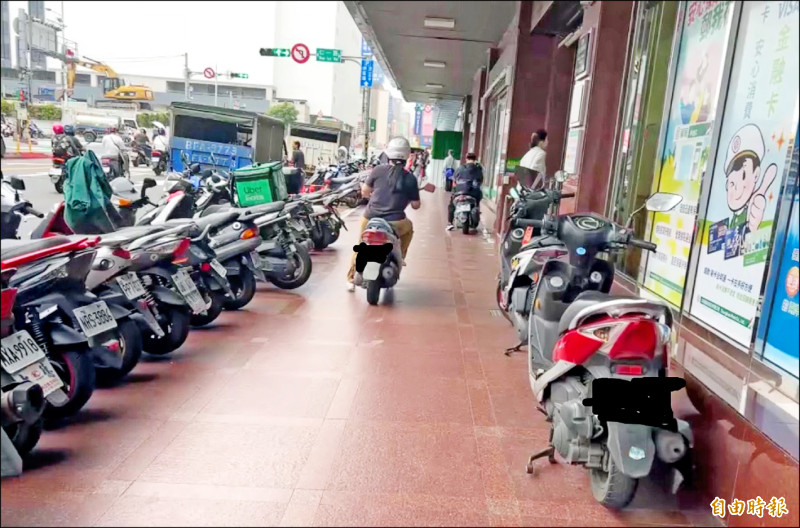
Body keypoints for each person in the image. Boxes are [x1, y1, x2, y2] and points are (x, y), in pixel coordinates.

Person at [346, 136, 421, 291]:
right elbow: (416, 205)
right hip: (396, 222)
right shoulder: (410, 178)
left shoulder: (378, 170)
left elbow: (365, 192)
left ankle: (351, 279)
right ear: (407, 155)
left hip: (370, 217)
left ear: (388, 154)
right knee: (409, 229)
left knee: (361, 244)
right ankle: (401, 256)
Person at [447, 152, 483, 231]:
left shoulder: (460, 168)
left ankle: (449, 223)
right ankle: (476, 213)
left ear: (466, 159)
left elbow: (454, 180)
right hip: (473, 192)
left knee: (451, 204)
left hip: (458, 192)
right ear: (475, 159)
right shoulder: (478, 169)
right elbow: (480, 181)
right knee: (478, 199)